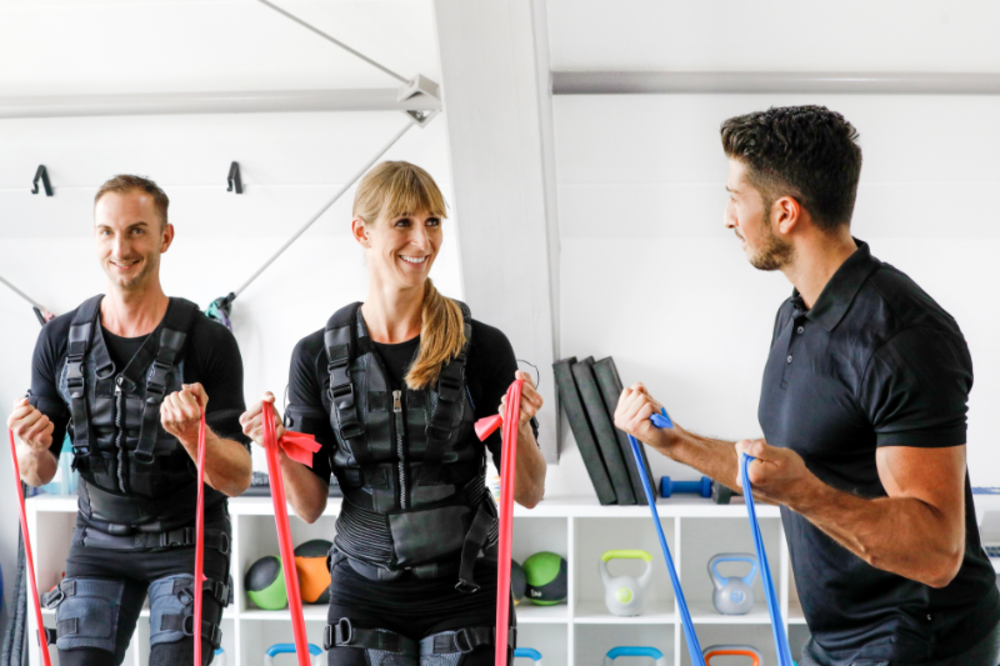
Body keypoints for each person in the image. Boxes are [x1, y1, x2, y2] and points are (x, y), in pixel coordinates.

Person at [615, 106, 1000, 665]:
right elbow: (782, 469)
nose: (727, 218)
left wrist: (804, 493)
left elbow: (938, 552)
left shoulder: (903, 337)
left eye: (734, 197)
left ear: (785, 213)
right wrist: (671, 443)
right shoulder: (797, 314)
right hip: (836, 639)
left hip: (920, 643)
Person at [240, 160, 547, 666]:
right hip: (364, 592)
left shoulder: (483, 347)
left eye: (433, 222)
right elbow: (310, 505)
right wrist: (273, 449)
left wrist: (521, 433)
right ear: (362, 231)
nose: (422, 241)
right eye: (403, 222)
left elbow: (529, 493)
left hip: (466, 588)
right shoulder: (316, 356)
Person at [7, 175, 252, 666]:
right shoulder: (58, 340)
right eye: (107, 232)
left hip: (187, 539)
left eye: (137, 231)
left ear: (165, 237)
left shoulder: (208, 342)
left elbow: (238, 478)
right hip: (98, 539)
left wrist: (194, 435)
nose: (121, 247)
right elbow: (38, 473)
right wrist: (32, 448)